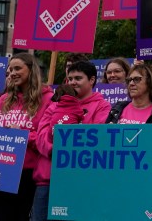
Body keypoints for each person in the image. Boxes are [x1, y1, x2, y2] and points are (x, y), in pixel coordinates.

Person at [32, 61, 111, 221]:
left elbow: (96, 138)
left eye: (78, 78)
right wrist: (54, 150)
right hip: (48, 178)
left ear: (92, 80)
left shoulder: (102, 106)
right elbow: (41, 136)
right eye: (70, 78)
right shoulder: (54, 105)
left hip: (80, 181)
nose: (73, 82)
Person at [0, 53, 53, 221]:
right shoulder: (2, 100)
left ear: (31, 71)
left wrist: (23, 136)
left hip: (28, 174)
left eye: (17, 68)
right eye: (10, 69)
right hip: (0, 171)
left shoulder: (48, 99)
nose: (12, 73)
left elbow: (48, 139)